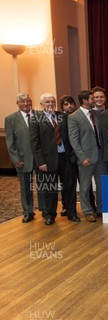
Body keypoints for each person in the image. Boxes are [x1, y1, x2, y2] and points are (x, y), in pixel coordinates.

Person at [30, 93, 80, 224]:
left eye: (52, 101)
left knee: (69, 187)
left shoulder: (63, 116)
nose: (51, 104)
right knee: (50, 189)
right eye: (47, 102)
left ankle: (71, 213)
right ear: (41, 105)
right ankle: (50, 215)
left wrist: (73, 156)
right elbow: (34, 143)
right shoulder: (35, 119)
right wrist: (40, 162)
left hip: (67, 159)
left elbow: (71, 137)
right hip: (47, 161)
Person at [68, 90, 106, 222]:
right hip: (86, 158)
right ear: (84, 101)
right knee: (85, 186)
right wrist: (82, 157)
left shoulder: (97, 113)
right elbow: (74, 140)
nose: (94, 100)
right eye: (91, 98)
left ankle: (101, 209)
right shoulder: (74, 117)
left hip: (100, 156)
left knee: (102, 185)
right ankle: (88, 211)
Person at [5, 93, 36, 223]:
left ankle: (46, 210)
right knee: (26, 187)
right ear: (17, 103)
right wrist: (15, 159)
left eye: (28, 101)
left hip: (40, 158)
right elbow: (10, 142)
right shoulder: (11, 119)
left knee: (45, 185)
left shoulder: (39, 116)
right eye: (22, 102)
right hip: (23, 159)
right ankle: (28, 211)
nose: (25, 104)